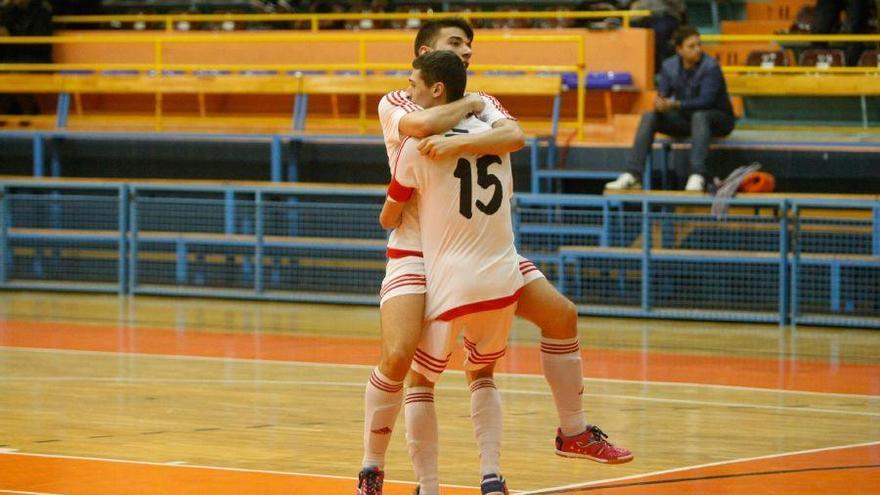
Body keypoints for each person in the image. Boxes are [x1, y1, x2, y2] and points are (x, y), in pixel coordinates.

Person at [357, 17, 633, 495]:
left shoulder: (480, 101)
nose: (467, 51)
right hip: (415, 249)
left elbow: (514, 137)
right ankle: (371, 467)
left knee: (561, 316)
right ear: (425, 54)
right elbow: (422, 126)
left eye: (470, 45)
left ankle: (573, 432)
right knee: (401, 358)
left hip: (477, 244)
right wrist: (470, 105)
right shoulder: (399, 99)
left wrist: (462, 135)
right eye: (456, 43)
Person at [380, 49, 522, 495]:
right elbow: (516, 136)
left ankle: (429, 486)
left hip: (453, 281)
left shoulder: (417, 146)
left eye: (414, 84)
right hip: (503, 277)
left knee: (420, 381)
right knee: (483, 374)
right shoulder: (494, 135)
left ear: (436, 89)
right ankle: (492, 475)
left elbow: (389, 217)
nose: (408, 91)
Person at [606, 25, 736, 192]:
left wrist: (675, 104)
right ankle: (632, 174)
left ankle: (697, 175)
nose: (697, 50)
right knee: (649, 116)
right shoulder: (669, 66)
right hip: (686, 120)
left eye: (699, 45)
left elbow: (706, 101)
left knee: (700, 115)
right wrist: (660, 104)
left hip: (718, 120)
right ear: (679, 50)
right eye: (691, 46)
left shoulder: (711, 67)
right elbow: (663, 95)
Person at [0, 0, 53, 117]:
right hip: (11, 60)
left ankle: (30, 111)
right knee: (7, 73)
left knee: (15, 76)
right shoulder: (7, 10)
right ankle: (6, 115)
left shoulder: (42, 9)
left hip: (37, 60)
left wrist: (11, 38)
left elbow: (40, 43)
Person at [629, 0, 686, 73]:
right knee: (627, 30)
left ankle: (661, 71)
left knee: (660, 30)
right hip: (639, 16)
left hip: (665, 14)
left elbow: (680, 6)